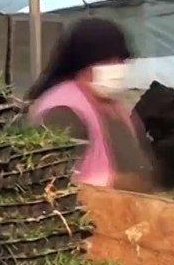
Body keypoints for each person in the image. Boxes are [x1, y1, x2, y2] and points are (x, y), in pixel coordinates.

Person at [27, 18, 161, 193]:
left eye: (120, 61)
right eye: (108, 61)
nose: (118, 68)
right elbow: (49, 181)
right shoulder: (62, 111)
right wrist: (117, 182)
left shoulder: (117, 108)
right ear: (83, 63)